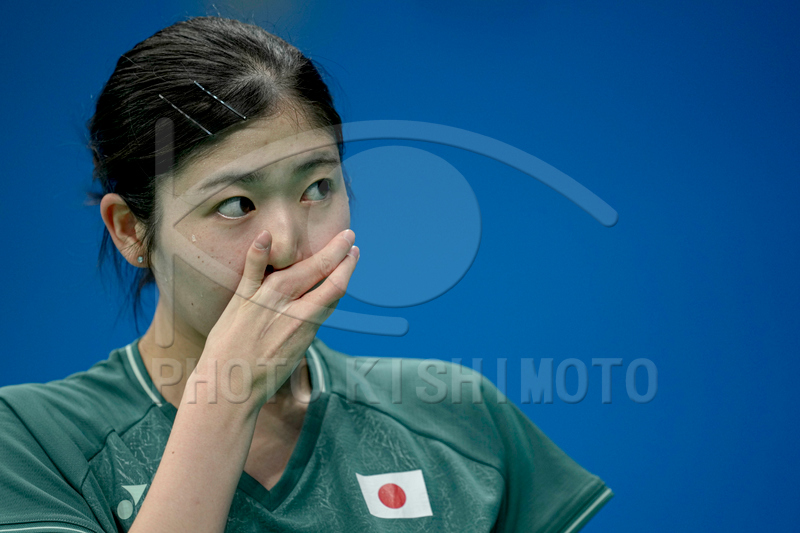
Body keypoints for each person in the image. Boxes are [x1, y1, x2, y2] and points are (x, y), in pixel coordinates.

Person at [0, 16, 612, 533]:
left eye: (317, 187)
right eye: (235, 204)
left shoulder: (462, 418)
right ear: (131, 231)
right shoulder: (31, 440)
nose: (289, 243)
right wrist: (226, 397)